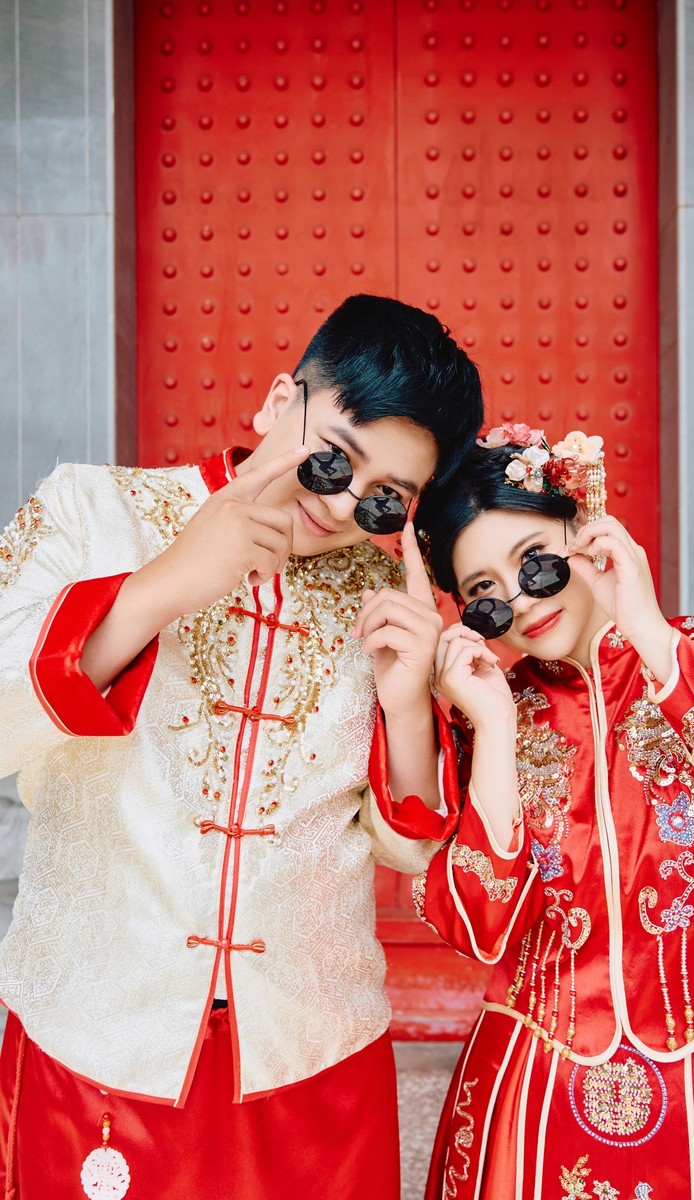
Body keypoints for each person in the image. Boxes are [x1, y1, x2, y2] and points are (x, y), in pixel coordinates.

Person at [0, 294, 480, 1199]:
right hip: (98, 1046)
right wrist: (160, 586)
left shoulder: (386, 603)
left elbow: (409, 845)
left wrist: (409, 704)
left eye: (385, 497)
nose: (341, 504)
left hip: (312, 1058)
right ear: (277, 402)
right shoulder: (93, 509)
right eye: (333, 457)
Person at [413, 425, 694, 1199]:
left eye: (535, 561)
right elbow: (480, 927)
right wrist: (494, 730)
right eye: (484, 594)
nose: (520, 601)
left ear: (587, 527)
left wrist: (653, 636)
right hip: (534, 1092)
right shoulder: (484, 716)